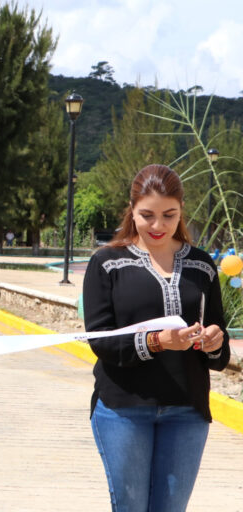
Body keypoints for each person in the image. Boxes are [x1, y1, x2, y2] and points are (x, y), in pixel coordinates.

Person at [82, 164, 229, 511]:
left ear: (181, 211)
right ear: (131, 210)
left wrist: (213, 341)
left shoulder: (202, 265)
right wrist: (157, 341)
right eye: (147, 215)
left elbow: (219, 355)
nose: (158, 225)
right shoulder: (107, 263)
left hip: (187, 411)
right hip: (123, 409)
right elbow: (100, 341)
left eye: (169, 215)